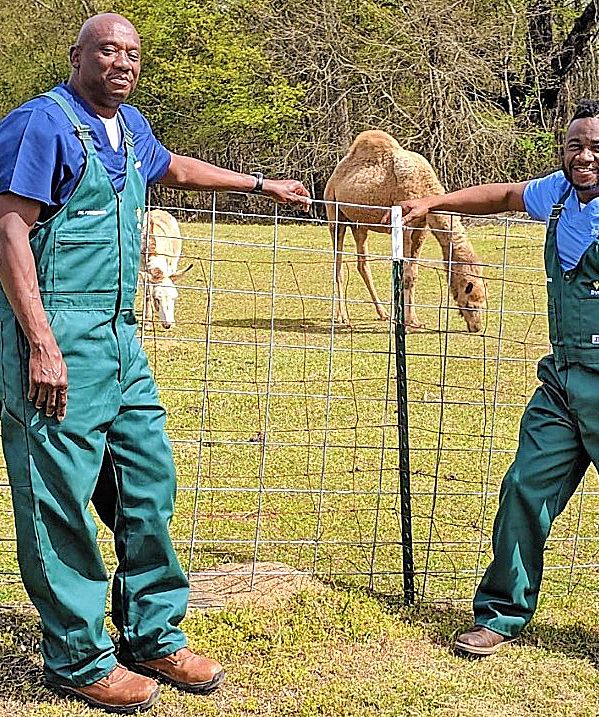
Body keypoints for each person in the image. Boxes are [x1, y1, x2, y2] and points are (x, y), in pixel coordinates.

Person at [0, 12, 310, 713]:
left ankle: (151, 633)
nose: (122, 62)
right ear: (76, 55)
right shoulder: (39, 124)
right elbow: (8, 229)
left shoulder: (130, 126)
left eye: (133, 53)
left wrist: (262, 185)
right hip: (55, 333)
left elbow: (170, 166)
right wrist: (41, 342)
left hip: (120, 337)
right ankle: (77, 656)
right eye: (107, 50)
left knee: (147, 480)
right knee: (57, 500)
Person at [395, 99, 599, 679]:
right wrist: (434, 201)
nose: (585, 156)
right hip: (562, 382)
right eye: (575, 146)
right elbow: (502, 196)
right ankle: (499, 615)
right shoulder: (560, 195)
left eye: (598, 147)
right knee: (523, 490)